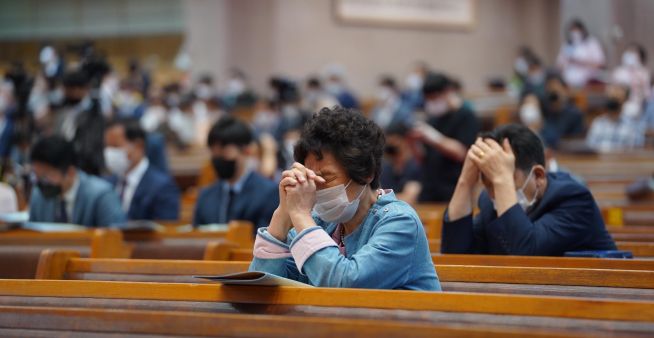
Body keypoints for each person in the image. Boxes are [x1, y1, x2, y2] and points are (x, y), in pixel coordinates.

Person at [249, 107, 440, 290]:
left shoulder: (400, 222)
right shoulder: (319, 222)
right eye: (311, 178)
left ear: (367, 173)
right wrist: (284, 213)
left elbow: (344, 285)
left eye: (327, 178)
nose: (315, 188)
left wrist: (299, 214)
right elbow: (261, 288)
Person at [442, 124, 616, 255]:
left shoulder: (574, 199)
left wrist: (502, 179)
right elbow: (456, 254)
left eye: (504, 180)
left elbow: (524, 253)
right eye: (490, 185)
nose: (495, 194)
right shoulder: (489, 202)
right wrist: (465, 181)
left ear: (539, 176)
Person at [193, 116, 278, 229]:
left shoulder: (268, 193)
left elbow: (266, 240)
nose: (218, 157)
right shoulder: (205, 196)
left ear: (246, 150)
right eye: (213, 152)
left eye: (225, 151)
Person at [29, 135, 125, 226]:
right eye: (36, 175)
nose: (40, 182)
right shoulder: (38, 196)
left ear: (70, 172)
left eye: (45, 176)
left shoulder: (101, 196)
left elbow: (116, 237)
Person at [414, 73, 480, 202]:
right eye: (429, 99)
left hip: (454, 187)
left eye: (435, 98)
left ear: (448, 92)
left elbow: (462, 152)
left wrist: (432, 136)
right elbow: (423, 159)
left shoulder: (466, 116)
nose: (432, 103)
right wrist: (413, 142)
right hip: (430, 187)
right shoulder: (432, 118)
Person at [104, 119, 180, 221]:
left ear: (138, 145)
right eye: (107, 147)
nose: (110, 153)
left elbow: (165, 231)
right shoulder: (106, 184)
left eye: (115, 146)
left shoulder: (162, 187)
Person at [586, 85, 646, 152]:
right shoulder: (598, 122)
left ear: (621, 108)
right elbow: (590, 144)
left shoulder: (631, 123)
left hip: (623, 159)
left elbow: (637, 145)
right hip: (600, 159)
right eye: (610, 112)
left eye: (615, 111)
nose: (613, 114)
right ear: (606, 110)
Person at [556, 19, 606, 88]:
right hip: (569, 81)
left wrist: (581, 62)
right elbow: (559, 64)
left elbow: (600, 63)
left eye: (576, 30)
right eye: (572, 30)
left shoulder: (591, 42)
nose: (574, 32)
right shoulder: (567, 45)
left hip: (589, 79)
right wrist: (567, 63)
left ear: (582, 30)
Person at [380, 123, 422, 205]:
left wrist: (380, 197)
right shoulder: (386, 168)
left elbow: (409, 199)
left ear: (406, 140)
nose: (391, 148)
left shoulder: (415, 166)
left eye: (395, 144)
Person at [540, 75, 584, 148]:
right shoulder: (544, 111)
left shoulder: (575, 114)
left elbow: (576, 139)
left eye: (556, 92)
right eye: (550, 92)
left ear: (565, 91)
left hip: (568, 152)